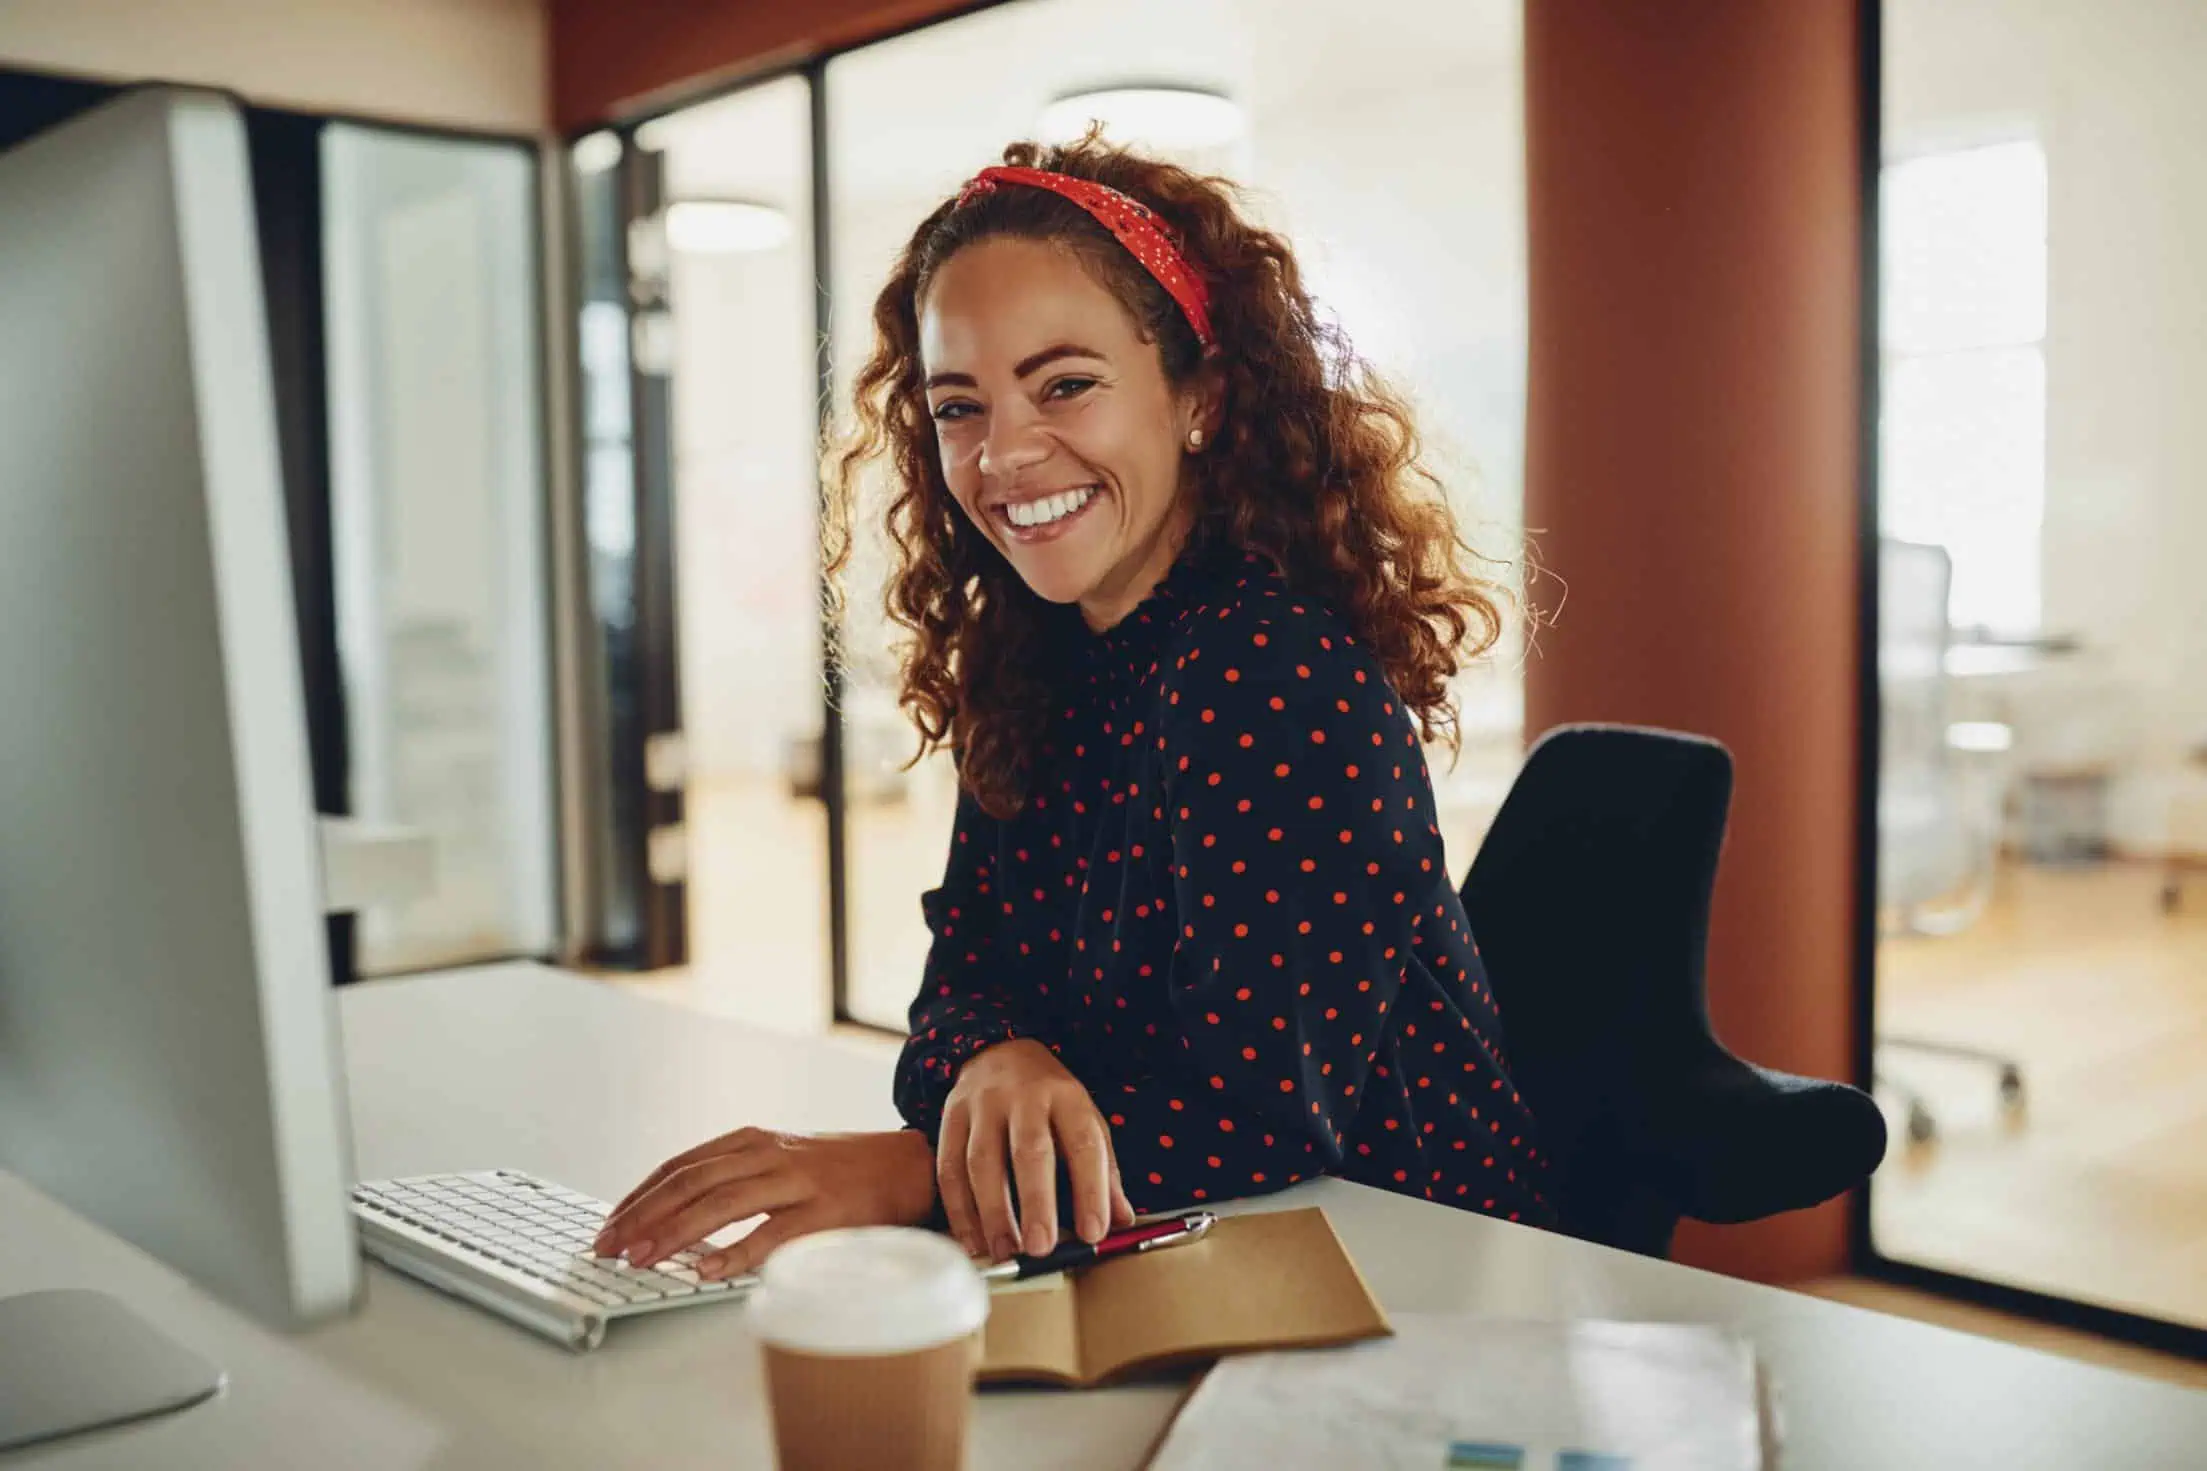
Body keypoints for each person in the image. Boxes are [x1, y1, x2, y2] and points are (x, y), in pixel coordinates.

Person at [594, 135, 1550, 1282]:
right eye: (958, 406)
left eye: (1065, 385)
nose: (1003, 453)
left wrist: (902, 1170)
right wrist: (996, 1054)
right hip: (1164, 1244)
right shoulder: (1036, 652)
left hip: (1402, 1265)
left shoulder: (1275, 672)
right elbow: (960, 975)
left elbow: (1258, 1116)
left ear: (1199, 398)